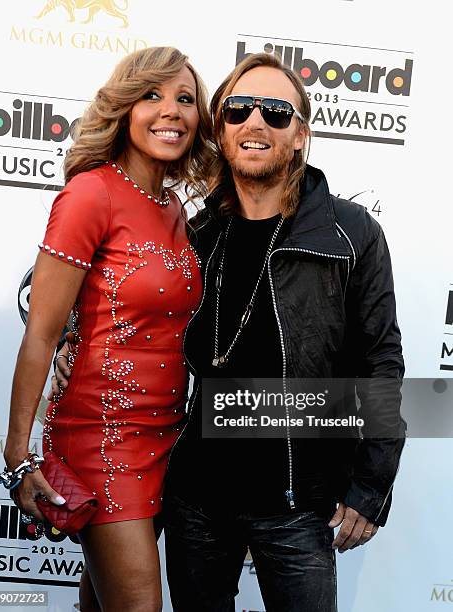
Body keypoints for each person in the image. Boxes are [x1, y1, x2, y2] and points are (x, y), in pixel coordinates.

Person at [53, 52, 406, 611]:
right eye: (239, 110)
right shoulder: (197, 233)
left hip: (298, 504)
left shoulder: (350, 233)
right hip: (196, 502)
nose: (255, 122)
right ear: (221, 130)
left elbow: (381, 364)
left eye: (275, 112)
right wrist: (75, 333)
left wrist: (370, 488)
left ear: (300, 135)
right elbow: (129, 299)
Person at [1, 46, 212, 612]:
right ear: (124, 106)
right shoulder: (90, 194)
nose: (171, 110)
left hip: (165, 437)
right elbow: (42, 334)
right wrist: (19, 458)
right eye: (152, 95)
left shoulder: (174, 209)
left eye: (185, 99)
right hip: (103, 438)